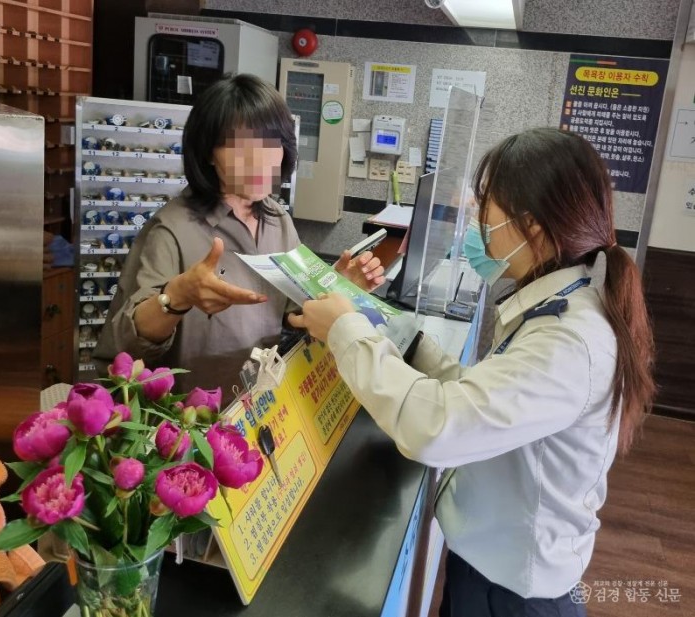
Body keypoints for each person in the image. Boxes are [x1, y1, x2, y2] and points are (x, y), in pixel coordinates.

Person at [289, 128, 655, 616]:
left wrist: (345, 330)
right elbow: (487, 397)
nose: (478, 222)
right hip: (494, 568)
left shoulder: (569, 341)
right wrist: (407, 342)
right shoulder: (564, 302)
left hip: (512, 594)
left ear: (534, 227)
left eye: (487, 206)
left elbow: (438, 427)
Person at [94, 73, 384, 399]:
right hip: (193, 422)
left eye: (270, 144)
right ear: (208, 153)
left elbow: (294, 315)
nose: (259, 160)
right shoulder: (172, 229)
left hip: (259, 406)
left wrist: (339, 288)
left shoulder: (277, 219)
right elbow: (126, 346)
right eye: (239, 146)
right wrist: (176, 297)